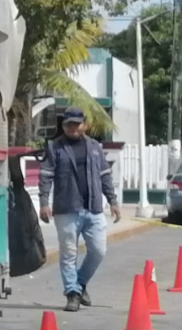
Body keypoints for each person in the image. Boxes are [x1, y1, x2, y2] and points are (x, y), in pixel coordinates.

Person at [38, 107, 121, 312]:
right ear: (63, 126)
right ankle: (72, 294)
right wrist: (43, 203)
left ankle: (80, 282)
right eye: (68, 124)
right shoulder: (55, 147)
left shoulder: (95, 147)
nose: (73, 128)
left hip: (93, 208)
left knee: (99, 250)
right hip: (66, 208)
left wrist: (113, 201)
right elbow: (45, 176)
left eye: (76, 124)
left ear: (85, 125)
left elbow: (105, 175)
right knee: (68, 254)